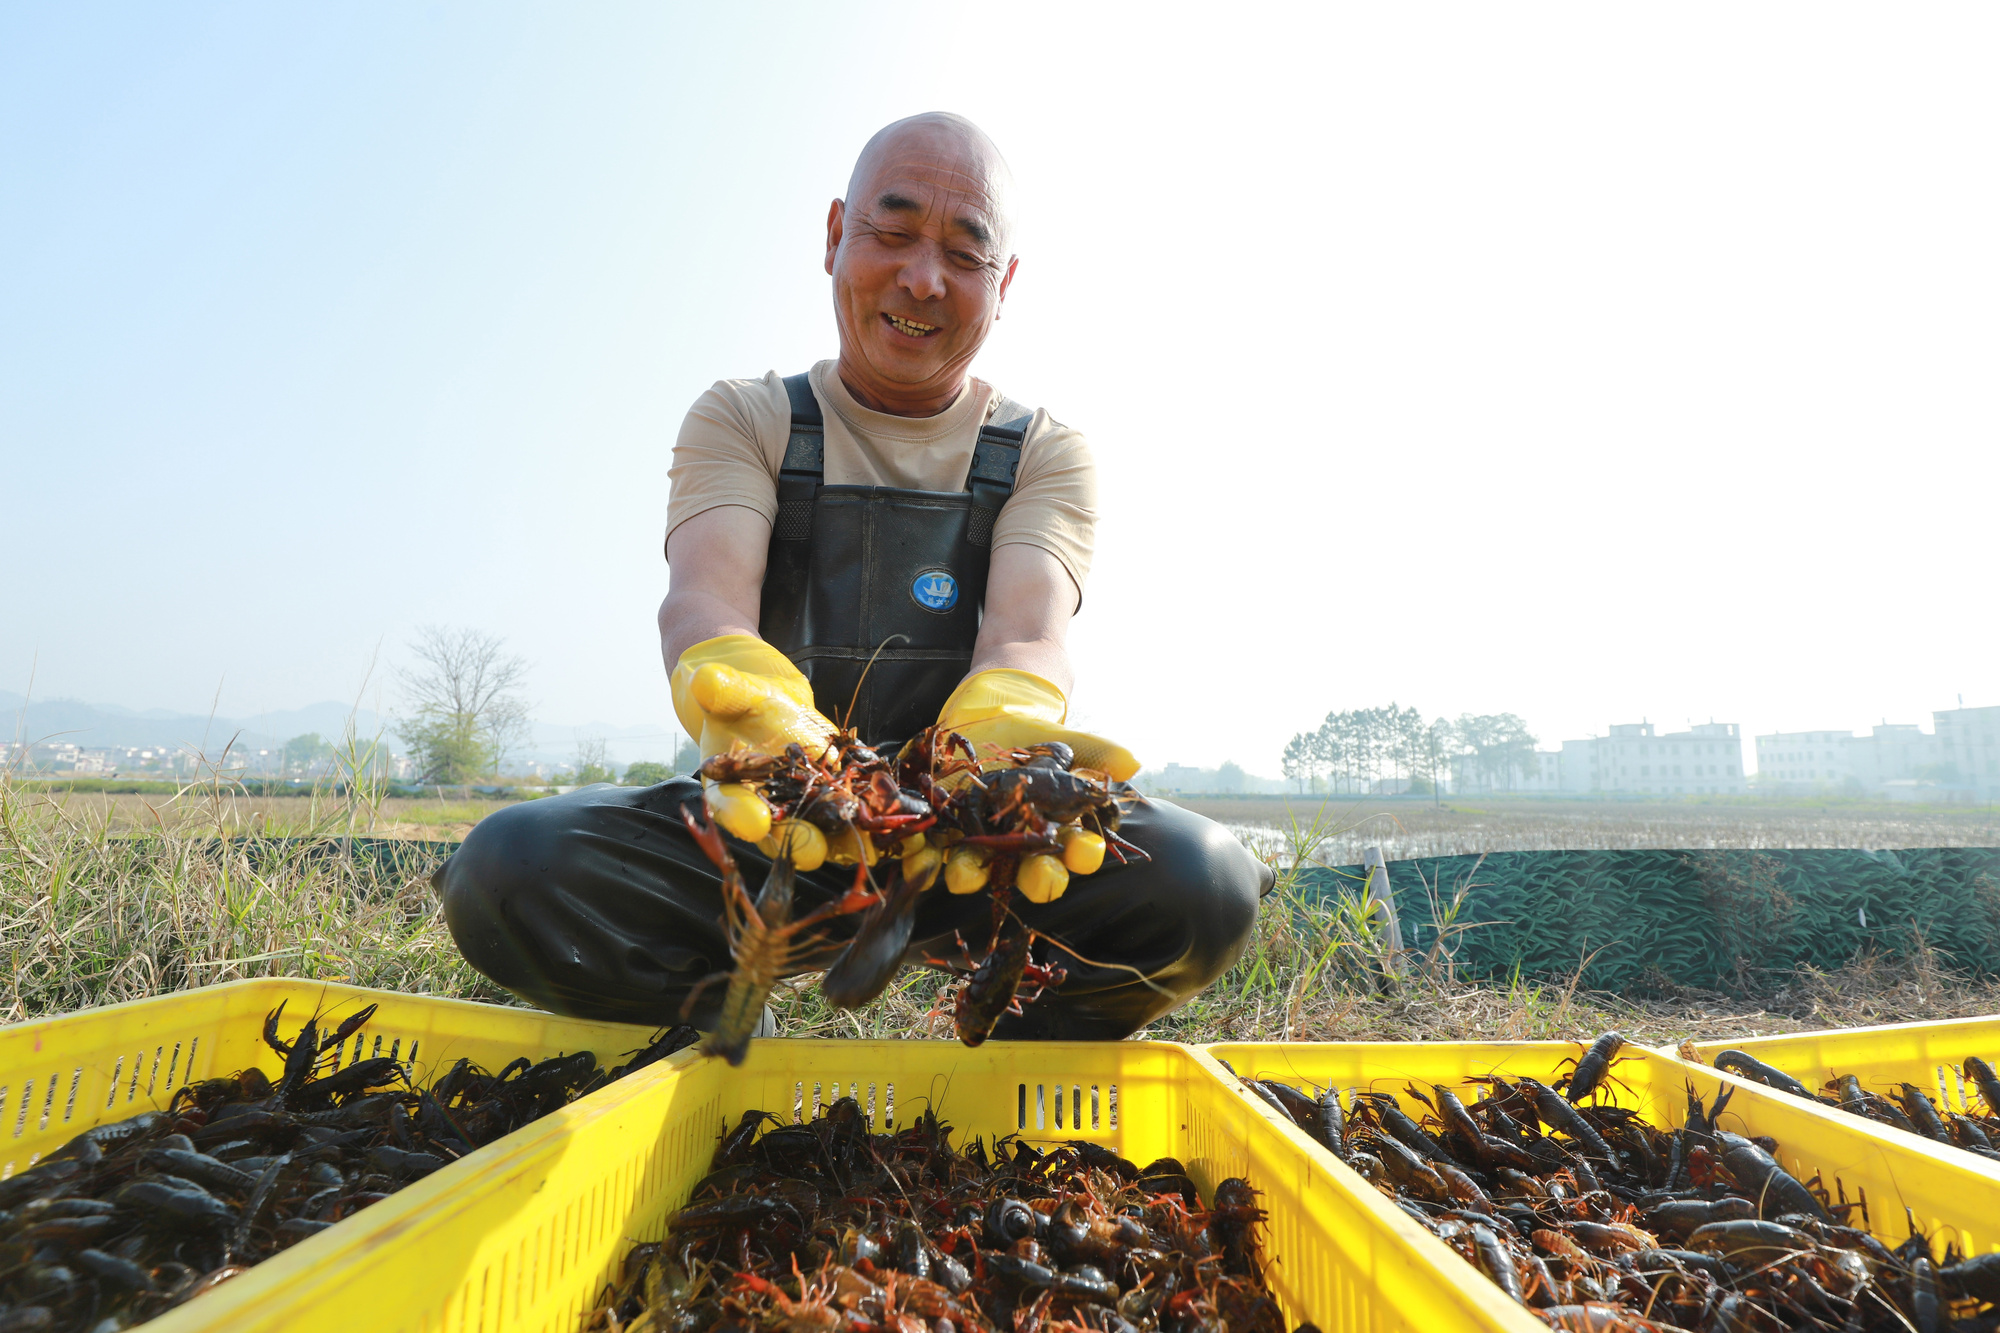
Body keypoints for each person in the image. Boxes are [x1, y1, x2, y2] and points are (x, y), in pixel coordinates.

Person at [439, 113, 1270, 1040]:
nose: (923, 277)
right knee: (505, 870)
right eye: (893, 231)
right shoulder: (746, 418)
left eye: (965, 252)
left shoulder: (1045, 453)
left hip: (971, 844)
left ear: (1005, 284)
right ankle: (708, 1046)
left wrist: (996, 737)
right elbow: (706, 594)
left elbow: (1028, 633)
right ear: (836, 235)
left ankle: (1016, 1064)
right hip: (777, 827)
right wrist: (766, 720)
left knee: (1206, 879)